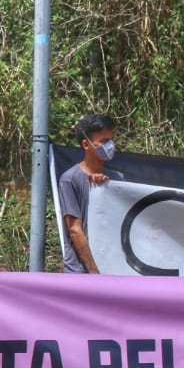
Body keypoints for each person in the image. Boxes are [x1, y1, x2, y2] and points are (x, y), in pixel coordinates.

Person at [57, 113, 123, 274]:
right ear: (86, 145)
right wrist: (94, 271)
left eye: (111, 140)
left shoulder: (117, 179)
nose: (110, 146)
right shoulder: (69, 180)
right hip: (79, 272)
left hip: (112, 269)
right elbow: (75, 230)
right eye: (103, 141)